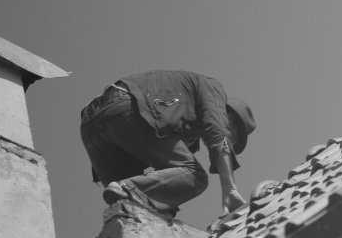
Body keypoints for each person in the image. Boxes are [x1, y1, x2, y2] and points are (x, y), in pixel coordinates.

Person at [80, 71, 256, 216]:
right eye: (235, 137)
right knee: (195, 176)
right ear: (230, 116)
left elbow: (166, 181)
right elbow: (218, 132)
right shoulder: (212, 88)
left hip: (91, 127)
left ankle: (126, 197)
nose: (231, 141)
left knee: (143, 209)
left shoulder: (186, 130)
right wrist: (229, 189)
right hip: (126, 107)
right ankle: (127, 190)